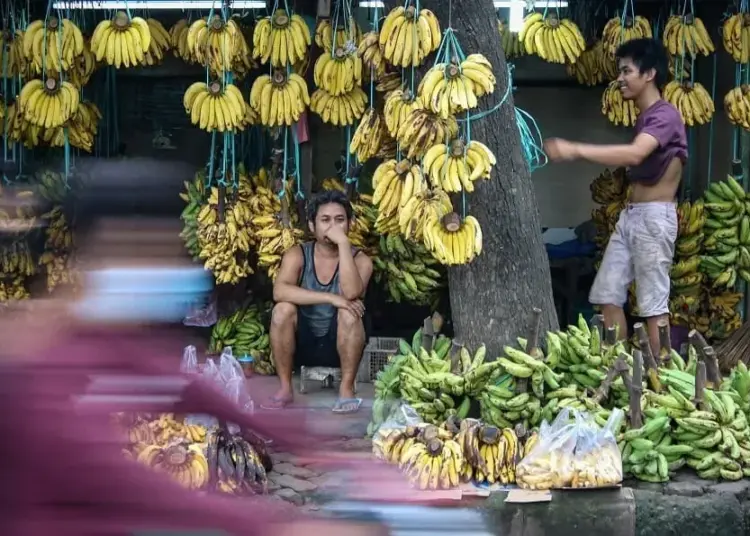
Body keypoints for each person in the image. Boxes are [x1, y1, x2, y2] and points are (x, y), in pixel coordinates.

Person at [0, 166, 385, 536]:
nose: (172, 267)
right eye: (158, 253)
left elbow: (180, 385)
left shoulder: (109, 338)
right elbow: (123, 483)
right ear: (112, 247)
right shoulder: (40, 366)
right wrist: (275, 527)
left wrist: (300, 440)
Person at [543, 37, 687, 355]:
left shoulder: (664, 115)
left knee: (653, 304)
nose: (619, 78)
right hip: (633, 215)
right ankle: (614, 368)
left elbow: (636, 155)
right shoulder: (647, 117)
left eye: (626, 71)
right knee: (607, 293)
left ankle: (660, 380)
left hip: (654, 218)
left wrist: (575, 149)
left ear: (649, 74)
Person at [264, 189, 373, 413]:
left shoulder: (361, 260)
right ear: (312, 227)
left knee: (350, 313)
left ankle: (346, 390)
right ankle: (285, 388)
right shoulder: (297, 254)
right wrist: (331, 298)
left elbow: (352, 293)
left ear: (350, 224)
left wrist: (343, 244)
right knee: (281, 311)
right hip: (303, 341)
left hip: (342, 344)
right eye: (325, 220)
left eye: (339, 220)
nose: (332, 226)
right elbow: (279, 291)